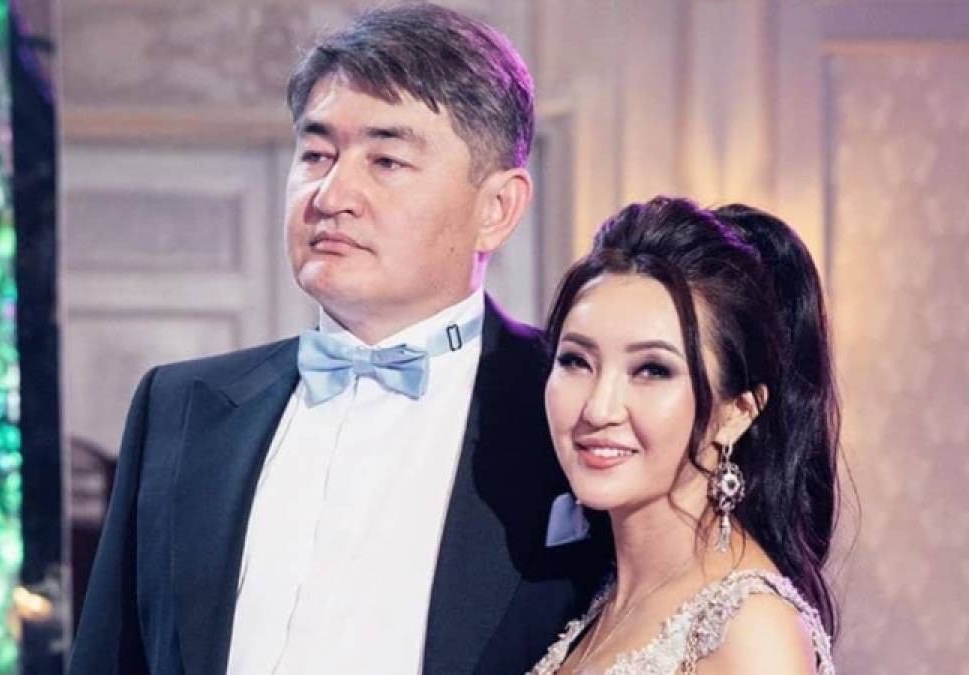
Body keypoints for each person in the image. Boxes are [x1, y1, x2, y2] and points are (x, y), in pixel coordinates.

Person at [69, 4, 608, 674]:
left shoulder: (576, 410)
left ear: (497, 208)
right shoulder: (179, 405)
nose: (331, 194)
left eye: (387, 160)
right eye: (317, 154)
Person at [530, 197, 839, 674]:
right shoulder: (602, 597)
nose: (598, 408)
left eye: (652, 370)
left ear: (737, 412)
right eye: (576, 361)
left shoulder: (749, 629)